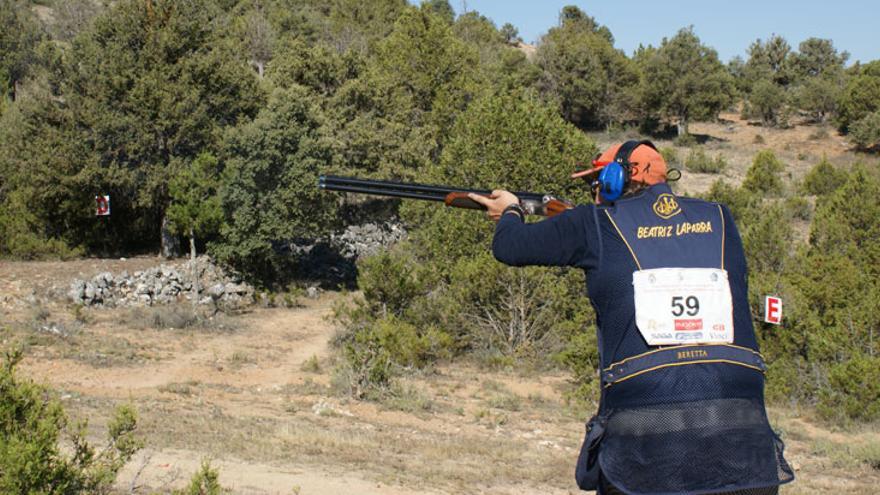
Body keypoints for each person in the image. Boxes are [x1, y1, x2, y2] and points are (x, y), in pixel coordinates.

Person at [468, 140, 794, 495]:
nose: (594, 195)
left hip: (645, 441)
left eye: (597, 184)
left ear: (616, 178)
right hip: (742, 434)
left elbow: (511, 247)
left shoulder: (593, 223)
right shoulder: (720, 218)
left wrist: (511, 210)